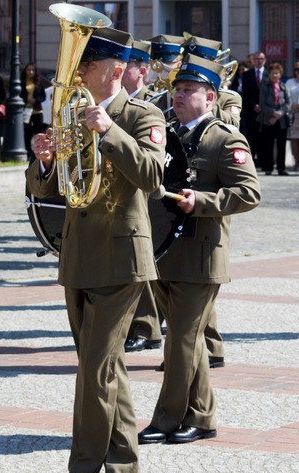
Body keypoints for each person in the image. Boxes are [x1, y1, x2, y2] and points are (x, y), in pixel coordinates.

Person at [27, 27, 165, 473]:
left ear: (116, 70)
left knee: (95, 369)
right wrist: (43, 163)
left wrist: (109, 131)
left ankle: (83, 467)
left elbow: (151, 174)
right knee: (103, 367)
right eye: (79, 64)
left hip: (123, 257)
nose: (77, 72)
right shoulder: (71, 115)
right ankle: (125, 469)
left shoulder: (141, 114)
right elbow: (50, 191)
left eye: (87, 65)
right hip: (79, 255)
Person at [138, 54, 260, 447]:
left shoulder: (226, 139)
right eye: (177, 89)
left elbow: (249, 193)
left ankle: (167, 417)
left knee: (182, 341)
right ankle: (202, 416)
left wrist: (203, 201)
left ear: (210, 98)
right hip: (165, 250)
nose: (179, 95)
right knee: (185, 340)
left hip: (202, 254)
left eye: (189, 90)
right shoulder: (168, 133)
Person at [121, 38, 163, 354]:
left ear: (142, 71)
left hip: (152, 191)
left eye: (126, 66)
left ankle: (147, 325)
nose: (118, 71)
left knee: (142, 259)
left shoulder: (155, 103)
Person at [256, 62, 291, 175]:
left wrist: (279, 113)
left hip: (281, 121)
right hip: (267, 119)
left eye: (277, 73)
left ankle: (281, 168)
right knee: (268, 144)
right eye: (272, 73)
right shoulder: (264, 86)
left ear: (280, 74)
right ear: (269, 74)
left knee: (282, 144)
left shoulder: (284, 87)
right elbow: (262, 104)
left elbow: (288, 103)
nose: (274, 75)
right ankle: (268, 168)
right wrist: (273, 113)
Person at [241, 50, 267, 165]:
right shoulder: (247, 74)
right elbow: (245, 93)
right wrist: (254, 105)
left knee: (265, 137)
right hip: (251, 111)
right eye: (257, 59)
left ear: (265, 60)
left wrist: (263, 106)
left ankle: (263, 161)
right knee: (251, 136)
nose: (259, 61)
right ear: (253, 60)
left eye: (261, 59)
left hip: (265, 111)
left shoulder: (269, 74)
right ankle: (251, 162)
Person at [20, 63, 48, 159]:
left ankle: (39, 153)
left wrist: (35, 100)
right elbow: (19, 95)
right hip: (26, 111)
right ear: (25, 71)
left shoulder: (38, 82)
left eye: (32, 70)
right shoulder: (22, 82)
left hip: (37, 111)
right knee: (27, 134)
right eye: (28, 70)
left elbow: (43, 96)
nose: (30, 72)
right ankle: (28, 154)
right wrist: (26, 100)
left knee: (39, 134)